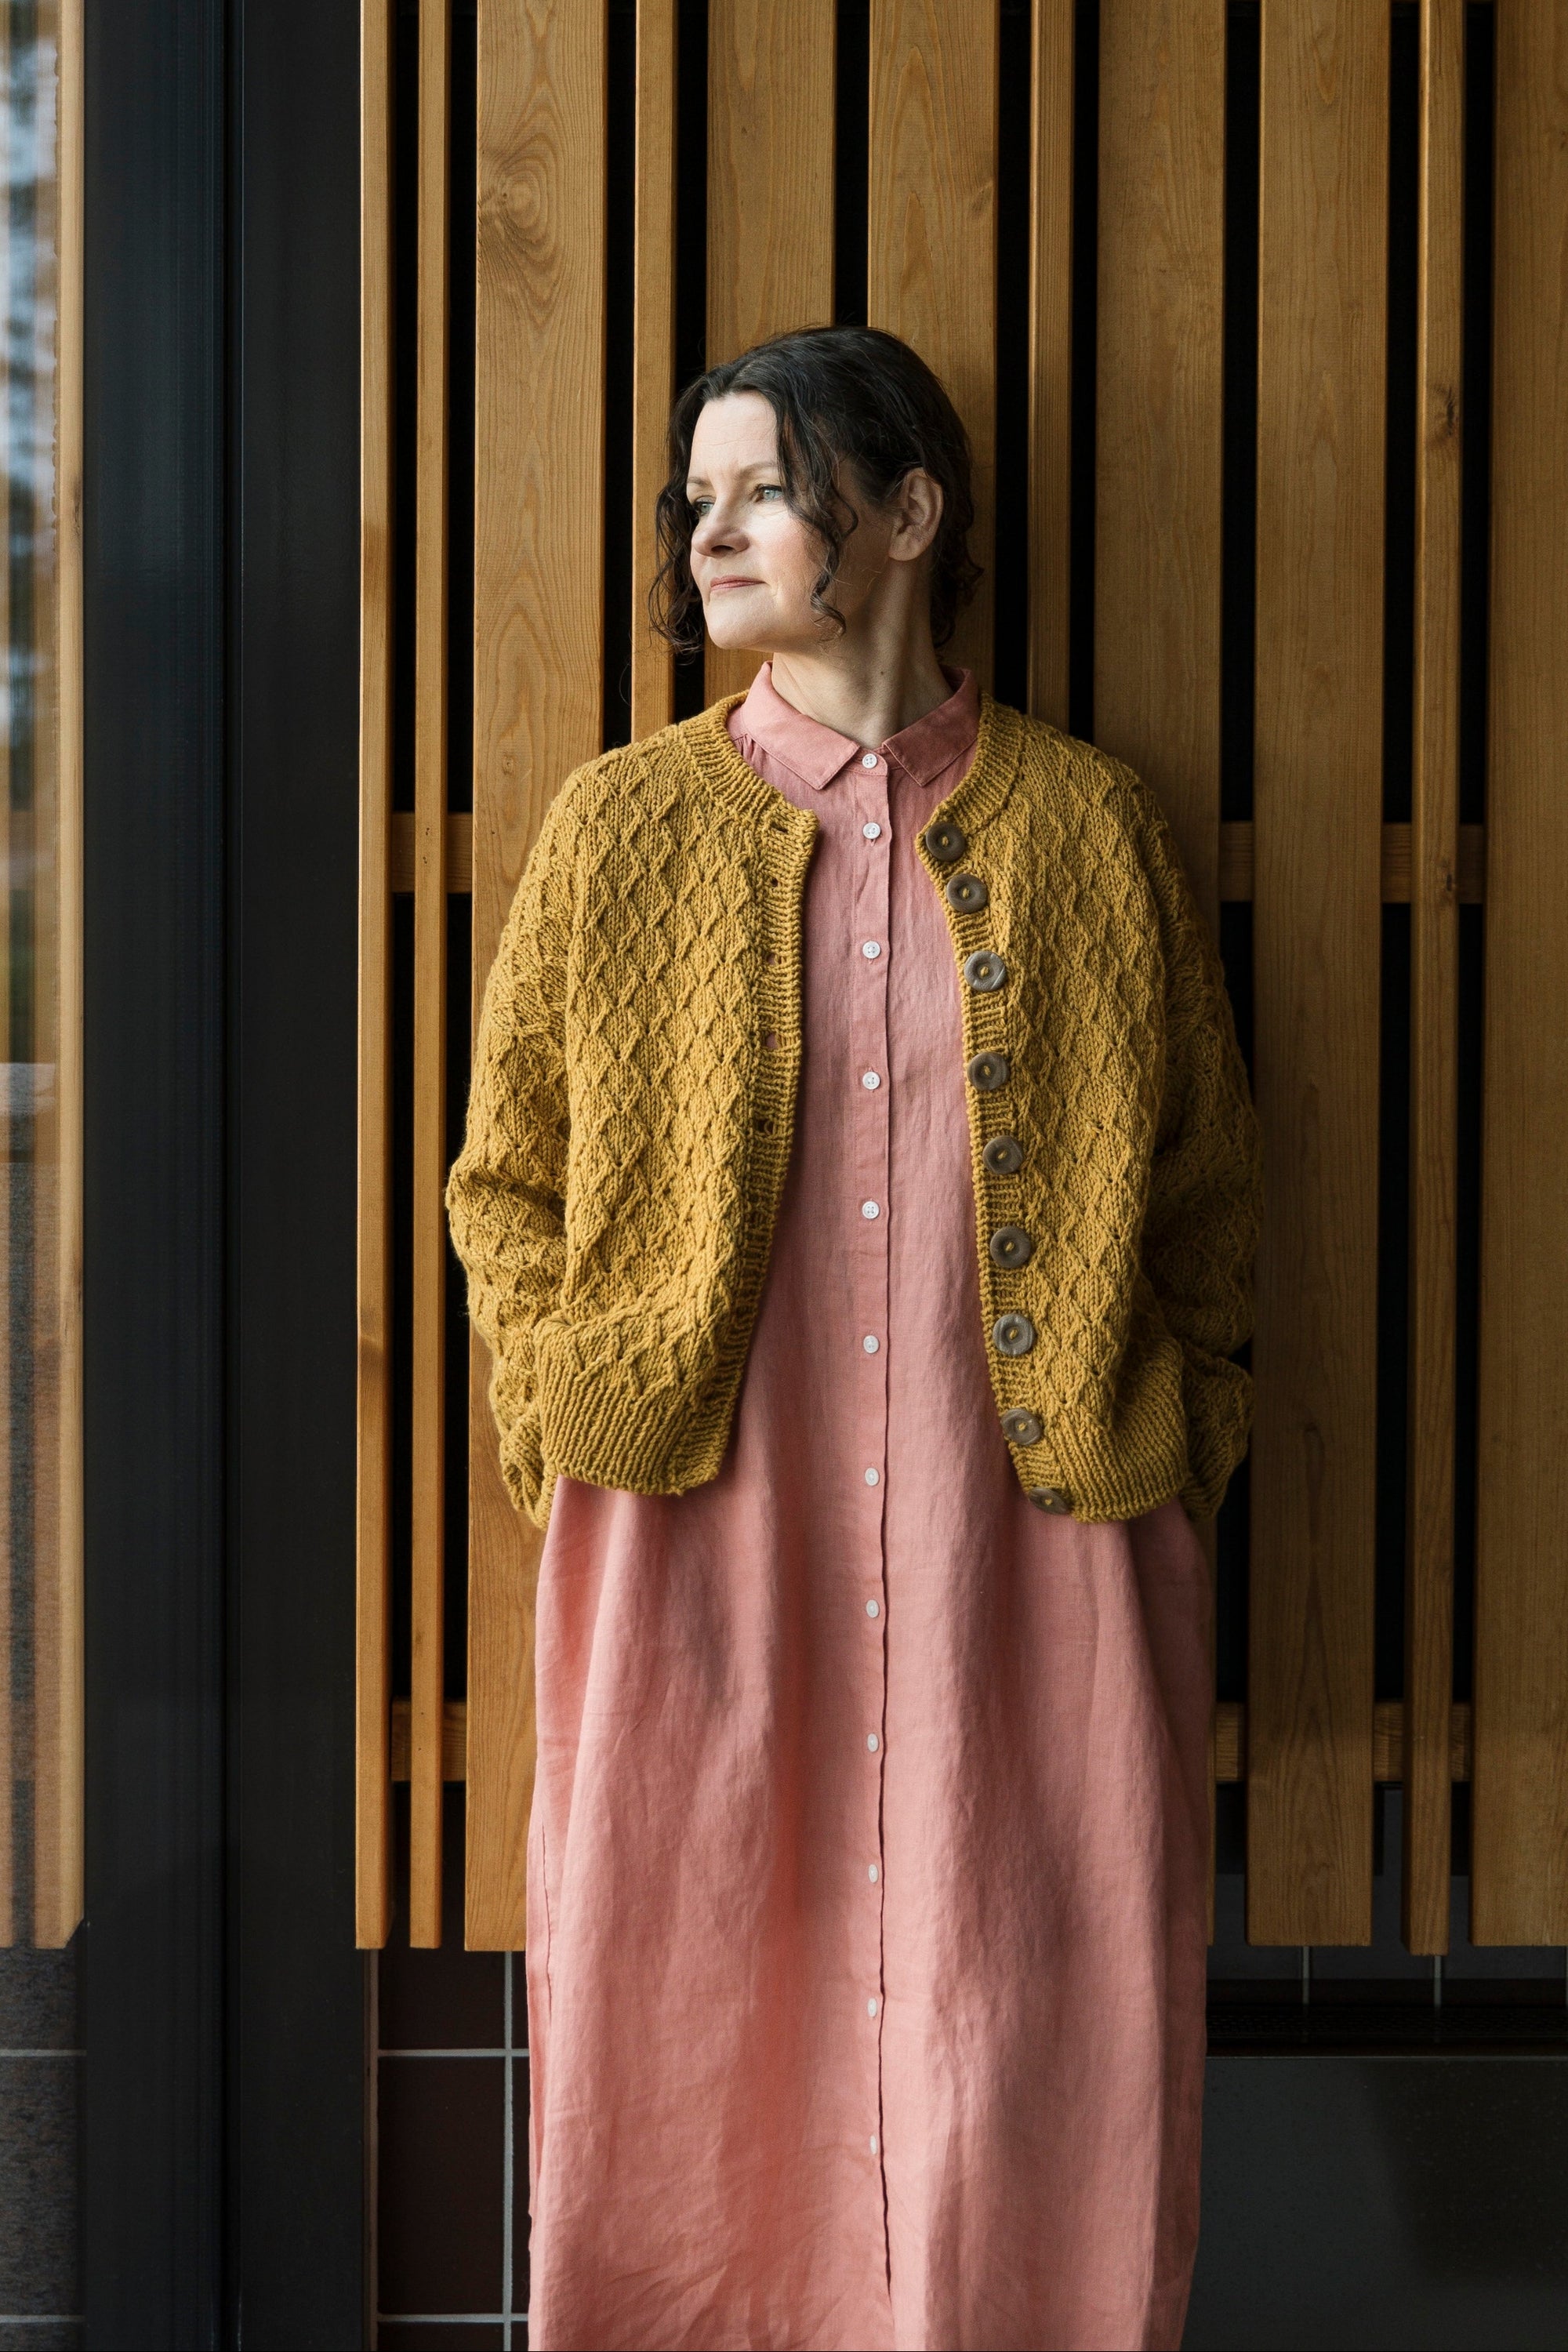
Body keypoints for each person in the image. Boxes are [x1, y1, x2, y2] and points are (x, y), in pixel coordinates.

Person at [445, 324, 1262, 2352]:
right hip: (699, 1536)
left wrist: (1175, 1434)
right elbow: (504, 1184)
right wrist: (566, 1396)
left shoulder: (1093, 832)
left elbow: (1207, 1199)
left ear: (908, 513)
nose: (708, 530)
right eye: (695, 497)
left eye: (764, 487)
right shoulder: (622, 832)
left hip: (1037, 1550)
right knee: (684, 2014)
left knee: (1037, 2041)